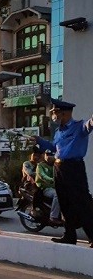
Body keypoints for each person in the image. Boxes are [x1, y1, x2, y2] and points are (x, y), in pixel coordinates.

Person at [32, 98, 93, 246]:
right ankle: (69, 235)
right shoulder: (59, 131)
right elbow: (54, 147)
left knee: (82, 203)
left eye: (55, 112)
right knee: (65, 203)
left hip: (74, 169)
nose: (53, 115)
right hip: (59, 168)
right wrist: (39, 140)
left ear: (64, 113)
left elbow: (89, 125)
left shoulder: (79, 127)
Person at [36, 149, 61, 223]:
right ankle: (53, 216)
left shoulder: (56, 165)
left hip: (56, 187)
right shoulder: (40, 165)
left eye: (51, 155)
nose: (49, 157)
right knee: (58, 194)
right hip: (45, 188)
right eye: (47, 155)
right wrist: (51, 179)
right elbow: (42, 175)